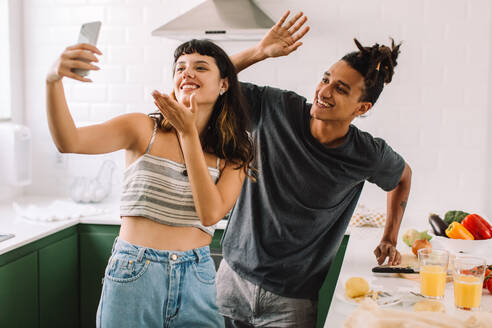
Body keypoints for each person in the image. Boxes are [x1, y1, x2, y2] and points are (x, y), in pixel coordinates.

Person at [216, 11, 412, 327]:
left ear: (362, 108)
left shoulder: (366, 153)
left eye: (341, 89)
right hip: (231, 280)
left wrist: (390, 236)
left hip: (291, 300)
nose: (324, 91)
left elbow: (402, 178)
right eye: (325, 79)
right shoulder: (275, 107)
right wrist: (259, 52)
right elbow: (210, 85)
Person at [46, 39, 254, 328]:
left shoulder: (235, 153)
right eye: (180, 67)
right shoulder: (143, 128)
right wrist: (52, 80)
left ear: (224, 85)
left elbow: (210, 213)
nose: (187, 72)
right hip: (134, 273)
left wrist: (188, 135)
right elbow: (68, 141)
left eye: (200, 67)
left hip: (197, 275)